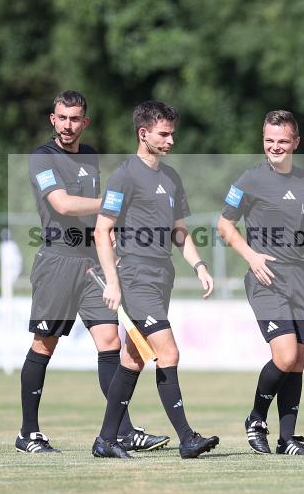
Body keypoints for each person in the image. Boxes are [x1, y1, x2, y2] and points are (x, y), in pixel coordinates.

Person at [16, 90, 168, 454]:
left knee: (111, 343)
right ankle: (28, 433)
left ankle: (123, 431)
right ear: (52, 120)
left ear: (85, 121)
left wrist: (110, 252)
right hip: (56, 263)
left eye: (75, 119)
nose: (68, 125)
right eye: (62, 118)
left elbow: (101, 219)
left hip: (91, 264)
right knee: (44, 344)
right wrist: (117, 199)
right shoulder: (42, 158)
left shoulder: (90, 155)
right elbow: (63, 204)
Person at [90, 100, 219, 459]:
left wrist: (199, 266)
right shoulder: (124, 176)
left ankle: (105, 440)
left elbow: (180, 232)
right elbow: (102, 232)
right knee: (168, 352)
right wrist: (113, 282)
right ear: (142, 134)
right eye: (164, 134)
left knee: (132, 359)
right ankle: (187, 438)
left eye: (172, 133)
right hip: (135, 277)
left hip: (163, 276)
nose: (170, 140)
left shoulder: (172, 177)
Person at [216, 110, 304, 455]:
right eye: (269, 140)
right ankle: (256, 418)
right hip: (265, 276)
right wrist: (251, 256)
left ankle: (288, 439)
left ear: (296, 143)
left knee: (298, 360)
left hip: (299, 276)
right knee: (285, 356)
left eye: (282, 141)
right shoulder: (248, 180)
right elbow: (224, 225)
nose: (275, 146)